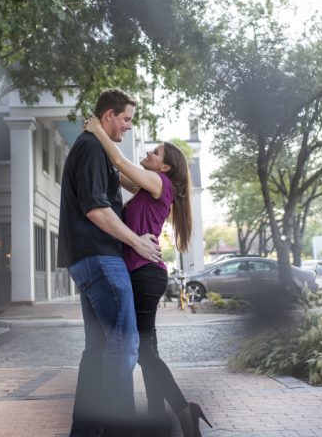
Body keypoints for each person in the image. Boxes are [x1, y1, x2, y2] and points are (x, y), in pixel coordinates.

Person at [85, 116, 212, 437]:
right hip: (141, 273)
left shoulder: (160, 184)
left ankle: (183, 410)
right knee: (147, 351)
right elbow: (120, 175)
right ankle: (162, 417)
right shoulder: (147, 184)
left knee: (141, 351)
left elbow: (119, 160)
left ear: (165, 168)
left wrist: (97, 128)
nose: (150, 154)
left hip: (145, 275)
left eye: (155, 153)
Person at [57, 88, 162, 437]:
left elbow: (126, 175)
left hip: (89, 259)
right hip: (100, 258)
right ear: (108, 116)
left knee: (99, 348)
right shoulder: (89, 149)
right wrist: (137, 243)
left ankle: (84, 431)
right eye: (126, 119)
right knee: (124, 344)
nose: (129, 126)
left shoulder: (97, 147)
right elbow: (97, 209)